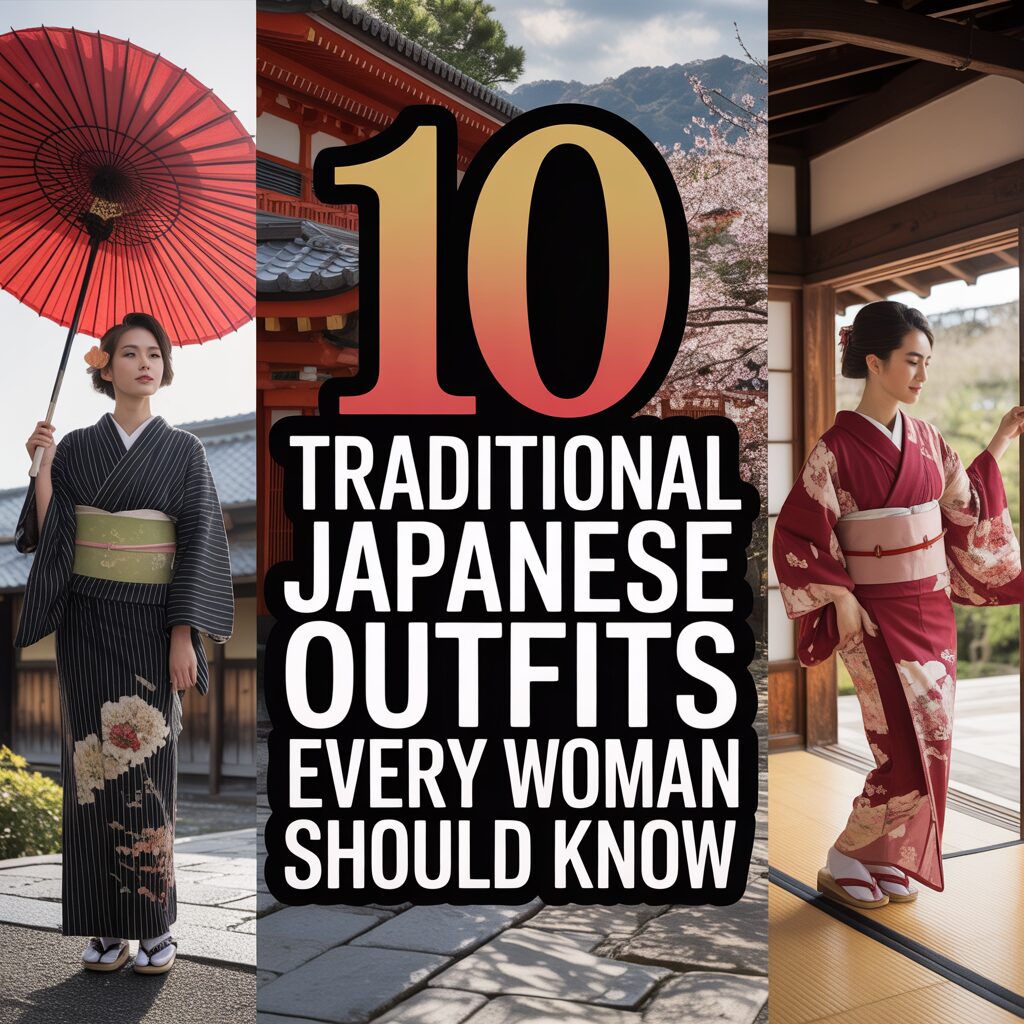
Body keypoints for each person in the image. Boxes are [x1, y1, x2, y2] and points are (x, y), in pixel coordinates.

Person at [772, 300, 1024, 909]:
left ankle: (881, 855)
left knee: (933, 743)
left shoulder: (929, 440)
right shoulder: (833, 451)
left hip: (931, 614)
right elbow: (798, 537)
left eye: (927, 362)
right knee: (902, 756)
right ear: (874, 361)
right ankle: (846, 854)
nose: (921, 375)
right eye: (912, 361)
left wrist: (999, 442)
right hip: (874, 618)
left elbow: (966, 509)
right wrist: (840, 596)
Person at [15, 313, 234, 973]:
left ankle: (154, 924)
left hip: (151, 626)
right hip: (87, 624)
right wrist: (42, 468)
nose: (145, 363)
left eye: (155, 354)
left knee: (149, 775)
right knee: (91, 772)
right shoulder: (78, 448)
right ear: (103, 367)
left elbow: (197, 545)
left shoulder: (186, 452)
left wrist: (181, 635)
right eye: (129, 353)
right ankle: (105, 928)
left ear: (165, 369)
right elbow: (55, 536)